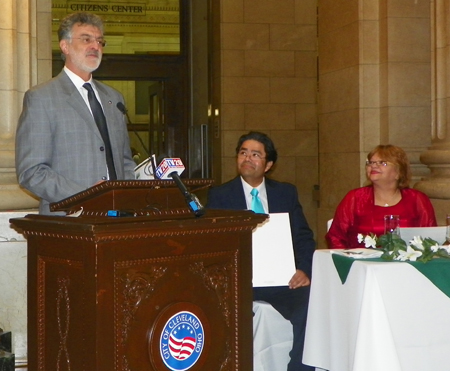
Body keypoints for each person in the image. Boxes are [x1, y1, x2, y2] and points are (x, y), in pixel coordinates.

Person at [207, 131, 315, 371]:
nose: (247, 158)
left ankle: (300, 367)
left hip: (282, 281)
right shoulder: (220, 196)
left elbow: (304, 238)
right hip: (240, 282)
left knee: (311, 303)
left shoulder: (285, 193)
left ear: (268, 165)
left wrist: (304, 270)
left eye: (256, 154)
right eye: (243, 152)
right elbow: (212, 245)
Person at [16, 12, 135, 215]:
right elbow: (32, 172)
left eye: (99, 41)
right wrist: (87, 195)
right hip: (69, 220)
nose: (95, 46)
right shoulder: (42, 98)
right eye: (86, 39)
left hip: (116, 219)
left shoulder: (114, 98)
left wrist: (132, 192)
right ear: (65, 46)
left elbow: (125, 161)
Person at [326, 144, 437, 249]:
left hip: (407, 266)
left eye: (382, 163)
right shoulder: (355, 198)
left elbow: (430, 238)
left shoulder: (417, 199)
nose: (373, 166)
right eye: (370, 162)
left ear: (398, 172)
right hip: (362, 265)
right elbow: (335, 237)